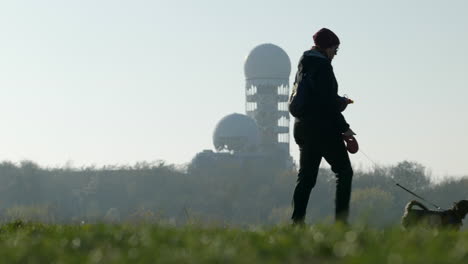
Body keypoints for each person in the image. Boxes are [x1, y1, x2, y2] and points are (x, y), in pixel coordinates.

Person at [291, 28, 356, 225]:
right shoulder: (323, 67)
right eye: (335, 50)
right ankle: (341, 224)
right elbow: (326, 104)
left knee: (306, 178)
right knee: (344, 172)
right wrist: (345, 128)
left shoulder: (305, 64)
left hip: (302, 127)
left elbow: (315, 97)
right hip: (322, 129)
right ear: (328, 47)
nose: (335, 54)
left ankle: (297, 223)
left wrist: (339, 101)